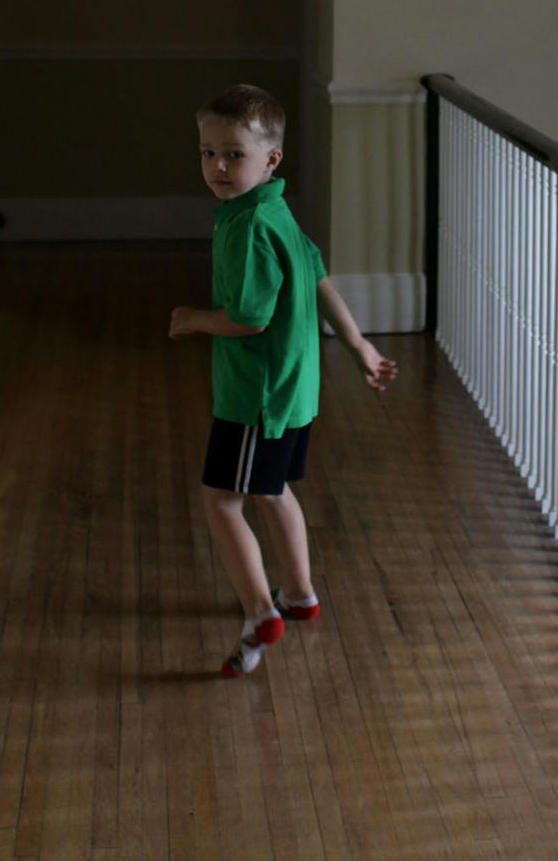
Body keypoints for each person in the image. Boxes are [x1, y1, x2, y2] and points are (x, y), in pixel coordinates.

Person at [169, 83, 398, 677]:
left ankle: (259, 611)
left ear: (270, 159)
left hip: (257, 397)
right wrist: (358, 345)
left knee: (222, 502)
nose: (218, 166)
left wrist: (193, 318)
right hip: (297, 390)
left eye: (233, 154)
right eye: (207, 152)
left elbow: (248, 320)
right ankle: (300, 594)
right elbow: (319, 275)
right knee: (273, 491)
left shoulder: (247, 227)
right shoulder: (273, 208)